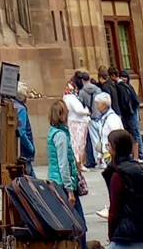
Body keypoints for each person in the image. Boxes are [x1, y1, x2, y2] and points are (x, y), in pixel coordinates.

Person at [102, 128, 143, 248]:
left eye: (109, 146)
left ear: (114, 149)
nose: (108, 149)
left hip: (127, 236)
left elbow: (114, 211)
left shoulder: (119, 174)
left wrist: (112, 236)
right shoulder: (142, 169)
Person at [46, 98, 85, 240]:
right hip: (62, 184)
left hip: (55, 180)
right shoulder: (61, 136)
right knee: (79, 225)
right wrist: (70, 191)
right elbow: (63, 164)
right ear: (61, 115)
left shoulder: (54, 132)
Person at [109, 71, 141, 159]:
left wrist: (125, 112)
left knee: (133, 134)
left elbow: (125, 101)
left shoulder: (120, 86)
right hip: (131, 112)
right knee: (134, 133)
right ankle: (137, 155)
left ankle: (137, 156)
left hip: (128, 114)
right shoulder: (126, 86)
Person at [63, 81, 92, 173]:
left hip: (73, 121)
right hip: (78, 122)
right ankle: (79, 163)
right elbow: (78, 110)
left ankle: (78, 163)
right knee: (79, 143)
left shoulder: (65, 98)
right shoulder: (71, 98)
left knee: (75, 142)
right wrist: (87, 111)